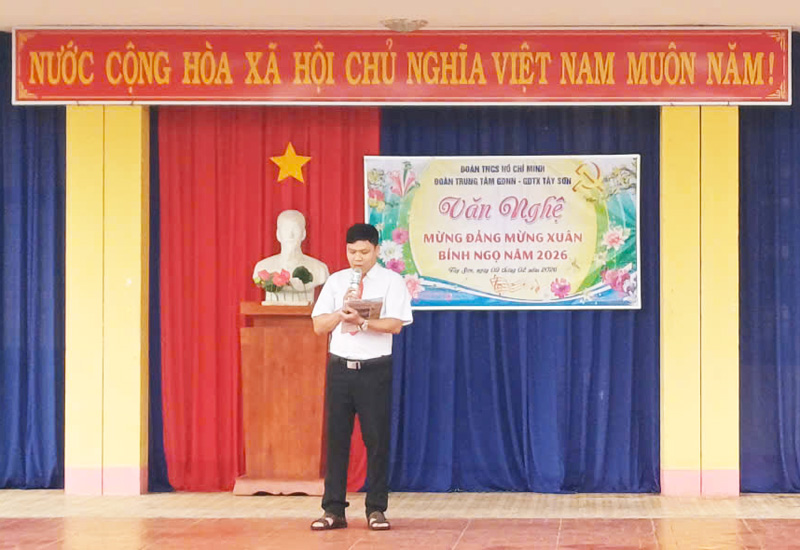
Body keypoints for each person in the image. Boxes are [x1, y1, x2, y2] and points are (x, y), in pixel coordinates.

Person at [310, 223, 413, 532]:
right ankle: (333, 510)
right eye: (352, 252)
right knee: (337, 440)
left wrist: (364, 322)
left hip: (374, 370)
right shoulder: (336, 281)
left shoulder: (392, 282)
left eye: (364, 252)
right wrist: (340, 312)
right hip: (340, 369)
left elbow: (396, 324)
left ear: (377, 250)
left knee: (376, 441)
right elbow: (319, 326)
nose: (358, 258)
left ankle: (376, 509)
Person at [252, 210, 329, 303]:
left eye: (295, 229)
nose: (290, 235)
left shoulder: (319, 269)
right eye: (286, 229)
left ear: (303, 234)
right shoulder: (262, 267)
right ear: (278, 234)